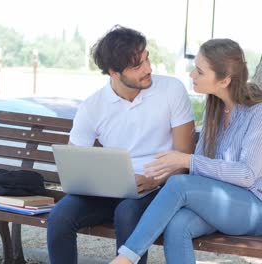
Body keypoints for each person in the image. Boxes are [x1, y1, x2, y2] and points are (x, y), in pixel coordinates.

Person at [110, 38, 262, 264]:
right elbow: (200, 172)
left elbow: (246, 175)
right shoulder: (214, 108)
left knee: (178, 184)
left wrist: (186, 160)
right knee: (177, 226)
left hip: (256, 208)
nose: (192, 75)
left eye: (200, 72)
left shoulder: (261, 112)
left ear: (224, 80)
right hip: (219, 202)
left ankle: (124, 259)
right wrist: (187, 165)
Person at [46, 25, 195, 264]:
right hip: (110, 190)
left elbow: (185, 157)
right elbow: (73, 160)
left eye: (147, 59)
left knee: (127, 213)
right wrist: (95, 181)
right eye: (137, 66)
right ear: (114, 72)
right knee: (60, 216)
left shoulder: (171, 90)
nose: (148, 69)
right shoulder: (93, 107)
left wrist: (154, 180)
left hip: (160, 187)